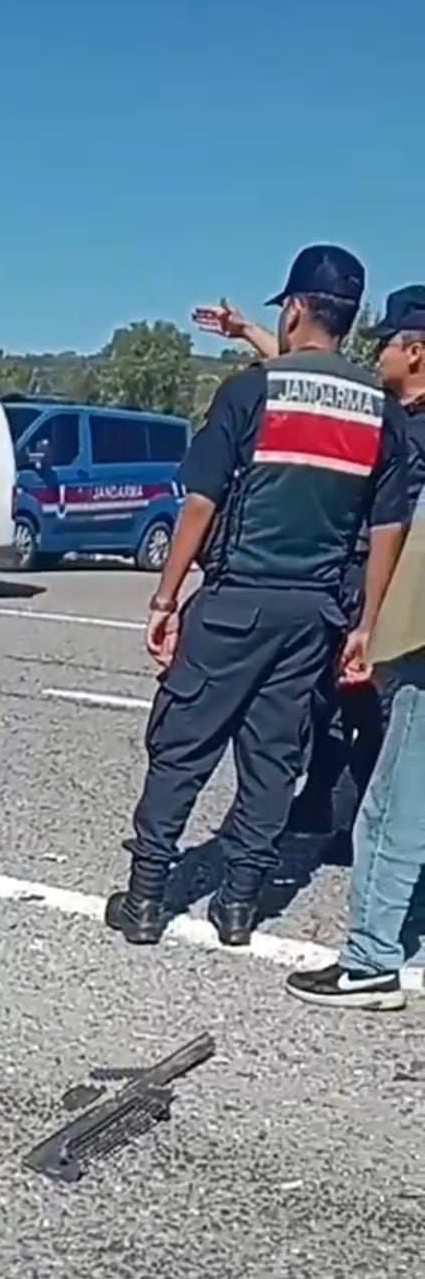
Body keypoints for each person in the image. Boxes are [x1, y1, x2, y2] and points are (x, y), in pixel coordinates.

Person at [105, 245, 408, 948]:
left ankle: (147, 898)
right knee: (274, 757)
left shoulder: (254, 390)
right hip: (315, 615)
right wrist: (367, 624)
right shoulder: (379, 410)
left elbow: (201, 503)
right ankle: (239, 905)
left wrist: (164, 597)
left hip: (237, 600)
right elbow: (388, 525)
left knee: (183, 743)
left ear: (296, 308)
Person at [286, 287, 425, 1010]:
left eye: (386, 344)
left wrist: (375, 630)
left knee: (392, 808)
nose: (376, 357)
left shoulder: (411, 440)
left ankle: (371, 962)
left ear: (416, 350)